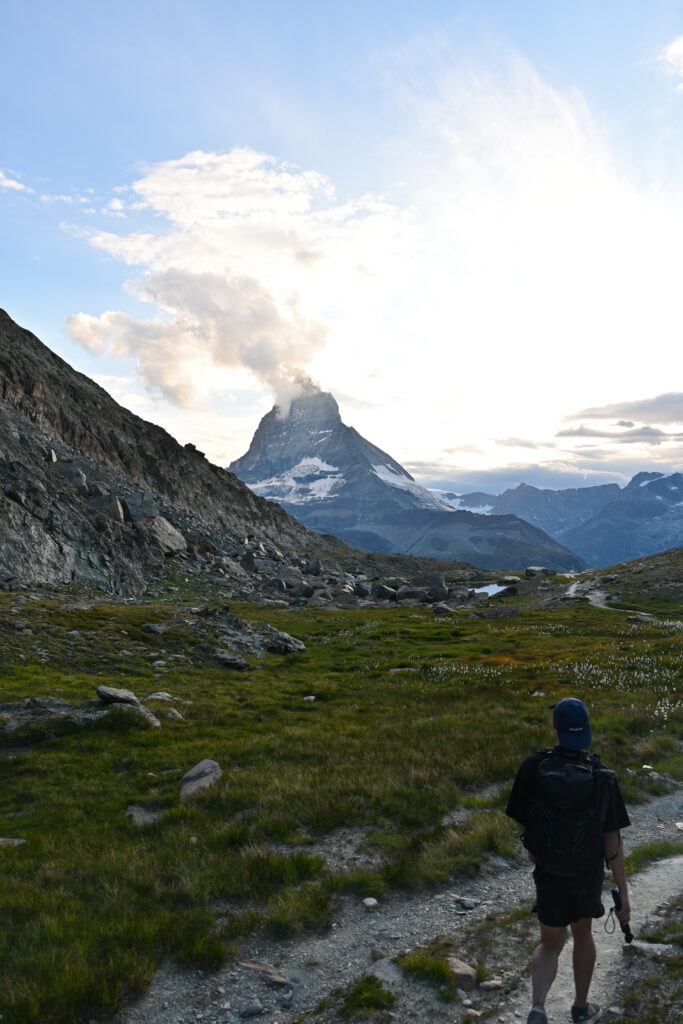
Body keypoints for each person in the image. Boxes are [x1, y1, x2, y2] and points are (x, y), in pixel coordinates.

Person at [506, 698, 631, 1024]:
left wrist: (533, 846)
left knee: (549, 944)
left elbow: (521, 820)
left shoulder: (534, 766)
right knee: (583, 936)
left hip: (549, 871)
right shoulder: (603, 775)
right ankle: (579, 1008)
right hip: (586, 872)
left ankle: (537, 1007)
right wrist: (624, 893)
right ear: (587, 729)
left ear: (555, 728)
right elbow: (612, 842)